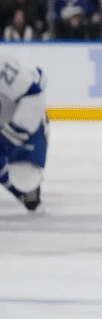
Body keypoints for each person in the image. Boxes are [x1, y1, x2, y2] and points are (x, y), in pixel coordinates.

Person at [0, 53, 48, 211]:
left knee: (24, 178)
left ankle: (26, 190)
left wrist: (15, 133)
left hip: (23, 114)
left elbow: (34, 96)